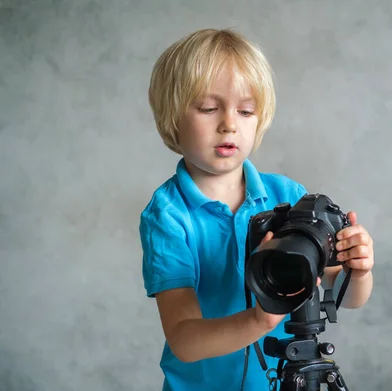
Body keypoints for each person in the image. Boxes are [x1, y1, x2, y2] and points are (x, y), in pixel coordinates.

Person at [139, 28, 375, 391]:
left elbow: (345, 298)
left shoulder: (290, 197)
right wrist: (260, 320)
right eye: (208, 108)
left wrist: (358, 271)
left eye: (246, 110)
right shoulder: (168, 215)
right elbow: (184, 341)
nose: (229, 124)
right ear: (173, 118)